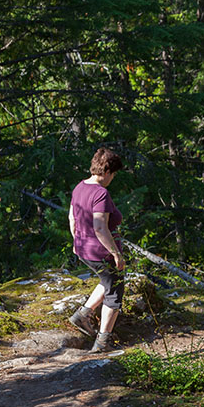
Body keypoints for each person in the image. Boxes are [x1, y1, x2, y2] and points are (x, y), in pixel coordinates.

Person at [68, 147, 126, 353]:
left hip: (84, 249)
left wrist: (77, 242)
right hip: (100, 251)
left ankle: (83, 315)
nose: (113, 178)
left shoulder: (79, 187)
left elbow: (72, 218)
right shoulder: (100, 193)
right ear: (108, 171)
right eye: (114, 174)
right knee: (115, 290)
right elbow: (100, 226)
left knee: (107, 279)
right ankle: (103, 342)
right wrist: (116, 253)